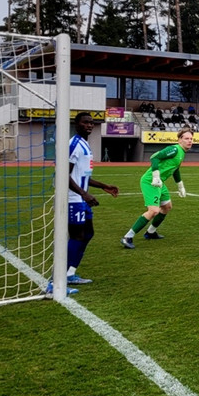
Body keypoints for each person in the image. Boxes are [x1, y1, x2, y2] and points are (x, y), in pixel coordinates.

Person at [56, 112, 119, 290]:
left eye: (92, 123)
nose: (90, 125)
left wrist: (103, 186)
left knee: (88, 234)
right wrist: (84, 194)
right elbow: (63, 174)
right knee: (77, 235)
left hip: (80, 198)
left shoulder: (85, 145)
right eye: (85, 123)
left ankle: (69, 274)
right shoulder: (74, 144)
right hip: (72, 199)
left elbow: (82, 176)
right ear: (76, 124)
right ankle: (59, 277)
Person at [121, 127, 193, 248]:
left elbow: (175, 169)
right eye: (186, 138)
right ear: (180, 139)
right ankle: (127, 237)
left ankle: (150, 232)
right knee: (153, 211)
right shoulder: (174, 149)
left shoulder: (181, 153)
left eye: (191, 139)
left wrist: (180, 186)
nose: (190, 141)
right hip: (151, 181)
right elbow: (154, 157)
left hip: (160, 182)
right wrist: (155, 176)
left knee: (167, 207)